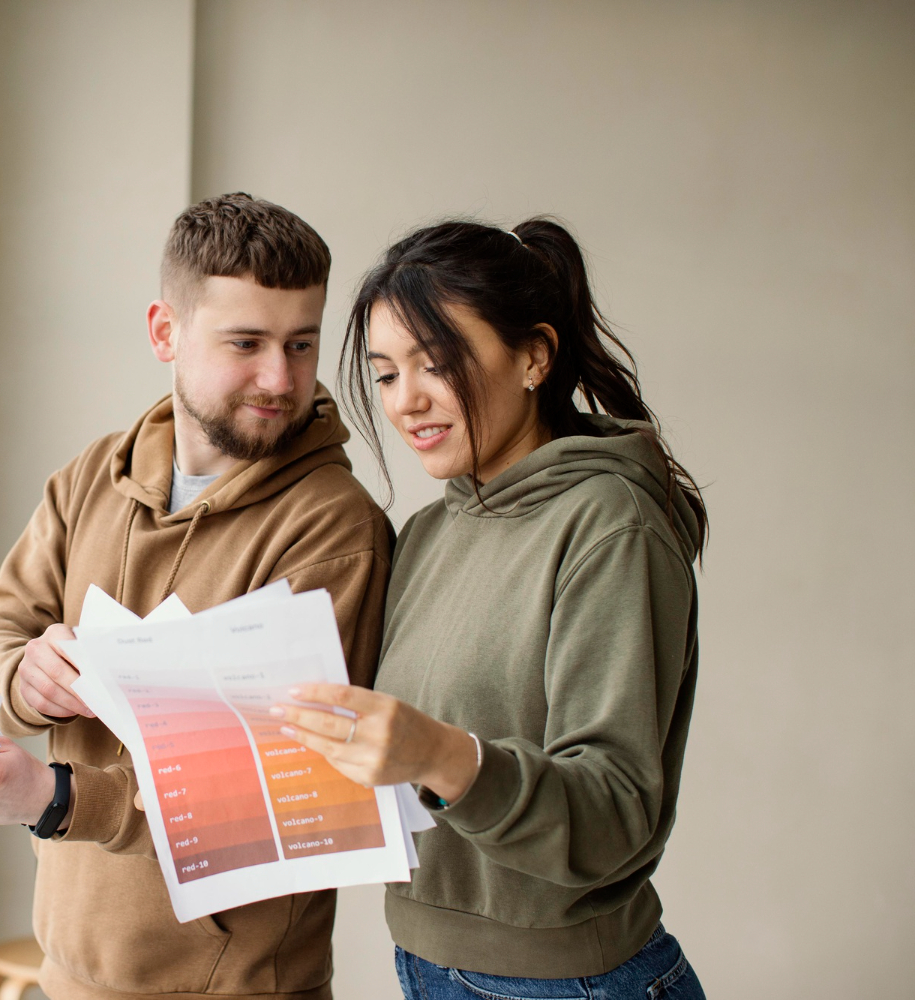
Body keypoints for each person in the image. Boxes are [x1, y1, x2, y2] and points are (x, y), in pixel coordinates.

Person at [0, 193, 394, 1000]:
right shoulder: (94, 476)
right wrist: (23, 680)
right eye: (247, 342)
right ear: (165, 332)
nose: (281, 378)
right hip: (69, 972)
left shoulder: (335, 529)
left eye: (300, 345)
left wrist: (57, 798)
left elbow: (282, 792)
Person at [274, 218, 710, 998]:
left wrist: (444, 757)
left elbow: (615, 808)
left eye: (436, 363)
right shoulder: (431, 532)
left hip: (572, 982)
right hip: (428, 968)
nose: (407, 401)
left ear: (534, 356)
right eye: (384, 374)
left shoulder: (611, 526)